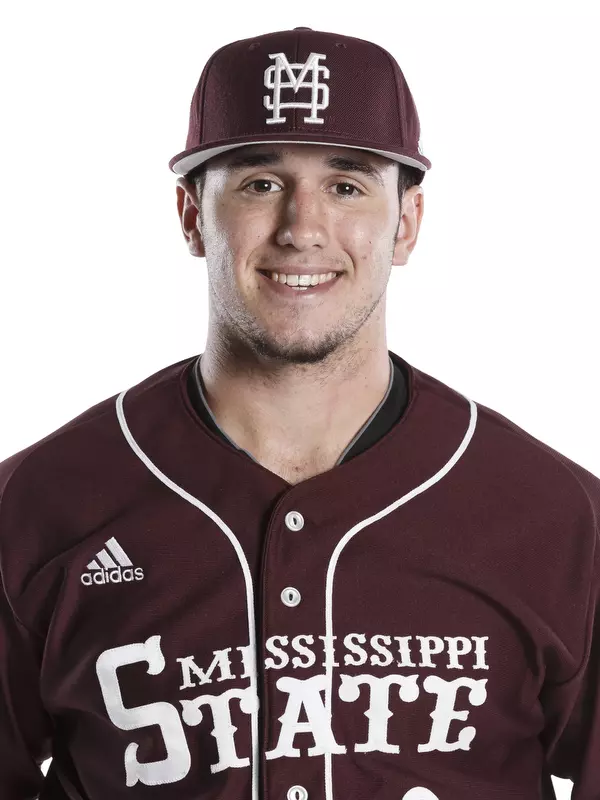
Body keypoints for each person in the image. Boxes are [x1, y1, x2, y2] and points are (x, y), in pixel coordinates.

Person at [0, 26, 598, 800]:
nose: (301, 228)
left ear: (407, 223)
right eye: (259, 183)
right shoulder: (35, 511)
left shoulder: (559, 520)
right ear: (190, 215)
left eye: (346, 185)